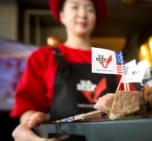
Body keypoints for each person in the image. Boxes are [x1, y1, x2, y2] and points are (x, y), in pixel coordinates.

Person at [10, 0, 129, 140]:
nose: (83, 14)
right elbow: (27, 107)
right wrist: (31, 122)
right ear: (62, 15)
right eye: (75, 6)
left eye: (90, 9)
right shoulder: (43, 57)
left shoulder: (114, 58)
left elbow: (130, 100)